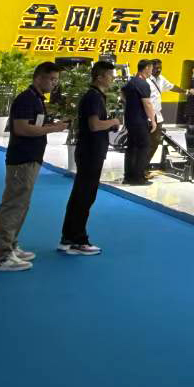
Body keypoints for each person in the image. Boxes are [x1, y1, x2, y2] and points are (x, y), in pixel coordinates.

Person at [0, 61, 67, 270]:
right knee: (13, 204)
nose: (54, 83)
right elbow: (22, 128)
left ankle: (12, 245)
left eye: (56, 80)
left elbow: (34, 125)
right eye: (51, 79)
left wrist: (51, 126)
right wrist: (53, 129)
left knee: (22, 204)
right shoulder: (26, 99)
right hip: (21, 159)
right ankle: (3, 255)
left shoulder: (37, 99)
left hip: (31, 158)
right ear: (39, 77)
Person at [59, 60, 120, 256]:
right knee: (85, 196)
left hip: (90, 151)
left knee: (80, 195)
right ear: (100, 77)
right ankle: (78, 239)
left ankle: (69, 237)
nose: (112, 80)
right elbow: (94, 125)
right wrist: (113, 121)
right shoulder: (93, 97)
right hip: (90, 152)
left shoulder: (96, 96)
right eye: (110, 76)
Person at [121, 58, 156, 185]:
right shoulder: (143, 84)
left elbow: (122, 92)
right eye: (151, 68)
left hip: (130, 119)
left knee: (131, 147)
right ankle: (138, 177)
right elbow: (147, 103)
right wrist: (153, 120)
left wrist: (130, 104)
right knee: (144, 147)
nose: (152, 71)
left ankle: (128, 176)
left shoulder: (131, 82)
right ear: (146, 68)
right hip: (140, 120)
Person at [146, 59, 174, 161]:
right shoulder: (146, 80)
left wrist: (187, 91)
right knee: (145, 143)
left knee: (155, 142)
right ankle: (141, 166)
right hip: (146, 117)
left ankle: (145, 164)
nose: (159, 70)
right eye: (156, 68)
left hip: (157, 117)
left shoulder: (161, 79)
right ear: (150, 68)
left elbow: (172, 87)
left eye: (160, 68)